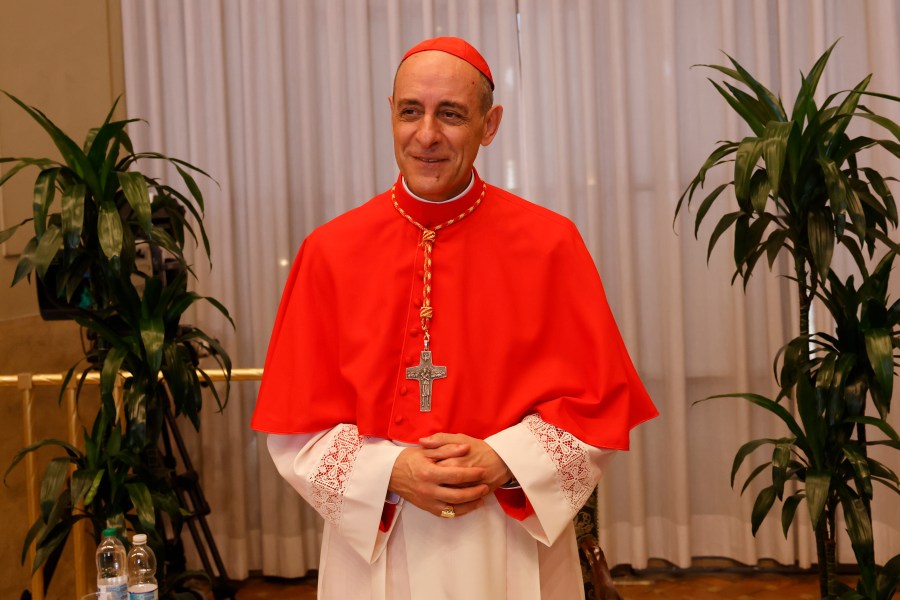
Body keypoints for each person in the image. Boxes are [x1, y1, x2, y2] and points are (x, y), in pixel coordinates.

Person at [251, 36, 657, 600]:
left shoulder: (550, 244)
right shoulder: (329, 251)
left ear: (490, 126)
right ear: (389, 113)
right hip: (377, 545)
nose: (426, 136)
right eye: (410, 111)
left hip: (509, 537)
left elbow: (598, 410)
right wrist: (391, 471)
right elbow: (295, 432)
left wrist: (503, 459)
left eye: (451, 115)